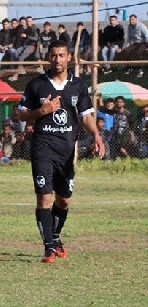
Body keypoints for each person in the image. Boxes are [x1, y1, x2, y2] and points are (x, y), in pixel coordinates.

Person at [18, 40, 105, 263]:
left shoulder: (78, 85)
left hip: (66, 152)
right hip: (42, 148)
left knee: (64, 200)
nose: (57, 59)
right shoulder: (37, 84)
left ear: (69, 58)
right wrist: (42, 111)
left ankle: (55, 236)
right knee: (44, 196)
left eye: (61, 55)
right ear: (49, 58)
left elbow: (85, 116)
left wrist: (96, 135)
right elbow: (21, 115)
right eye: (54, 55)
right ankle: (48, 248)